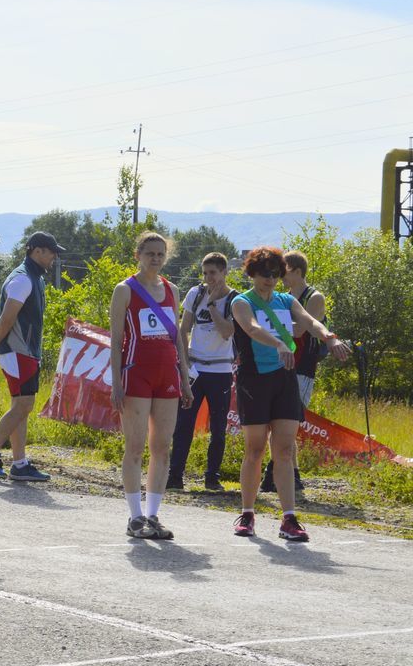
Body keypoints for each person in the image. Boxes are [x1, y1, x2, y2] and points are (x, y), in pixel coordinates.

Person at [229, 246, 348, 541]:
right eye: (263, 273)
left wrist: (329, 337)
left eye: (274, 274)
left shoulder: (285, 300)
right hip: (254, 379)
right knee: (255, 449)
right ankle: (247, 513)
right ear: (252, 274)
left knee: (283, 450)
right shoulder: (242, 302)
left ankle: (289, 519)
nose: (269, 279)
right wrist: (280, 344)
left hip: (285, 379)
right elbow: (253, 328)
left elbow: (308, 321)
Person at [109, 232, 194, 539]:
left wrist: (185, 379)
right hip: (136, 374)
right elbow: (117, 340)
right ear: (139, 255)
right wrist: (116, 382)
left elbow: (178, 340)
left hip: (167, 377)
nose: (155, 259)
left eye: (160, 254)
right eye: (150, 254)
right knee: (135, 447)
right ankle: (134, 517)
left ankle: (153, 515)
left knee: (161, 447)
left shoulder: (172, 289)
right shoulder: (125, 290)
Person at [0, 231, 66, 482]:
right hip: (18, 352)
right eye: (51, 252)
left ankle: (19, 464)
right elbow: (7, 317)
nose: (54, 258)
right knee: (23, 406)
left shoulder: (33, 278)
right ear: (37, 251)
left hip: (23, 352)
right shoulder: (23, 279)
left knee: (21, 408)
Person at [167, 252, 238, 492]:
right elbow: (184, 328)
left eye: (213, 273)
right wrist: (184, 363)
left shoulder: (234, 299)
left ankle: (212, 477)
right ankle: (175, 475)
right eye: (205, 273)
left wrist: (212, 305)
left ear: (224, 273)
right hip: (195, 369)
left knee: (218, 428)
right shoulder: (195, 294)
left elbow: (227, 331)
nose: (208, 278)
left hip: (220, 370)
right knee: (184, 424)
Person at [259, 250, 325, 493]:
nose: (279, 277)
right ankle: (283, 473)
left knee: (290, 419)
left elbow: (301, 330)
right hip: (280, 362)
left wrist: (273, 325)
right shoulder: (284, 297)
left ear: (297, 271)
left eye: (283, 272)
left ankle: (285, 473)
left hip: (303, 366)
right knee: (275, 419)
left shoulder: (314, 297)